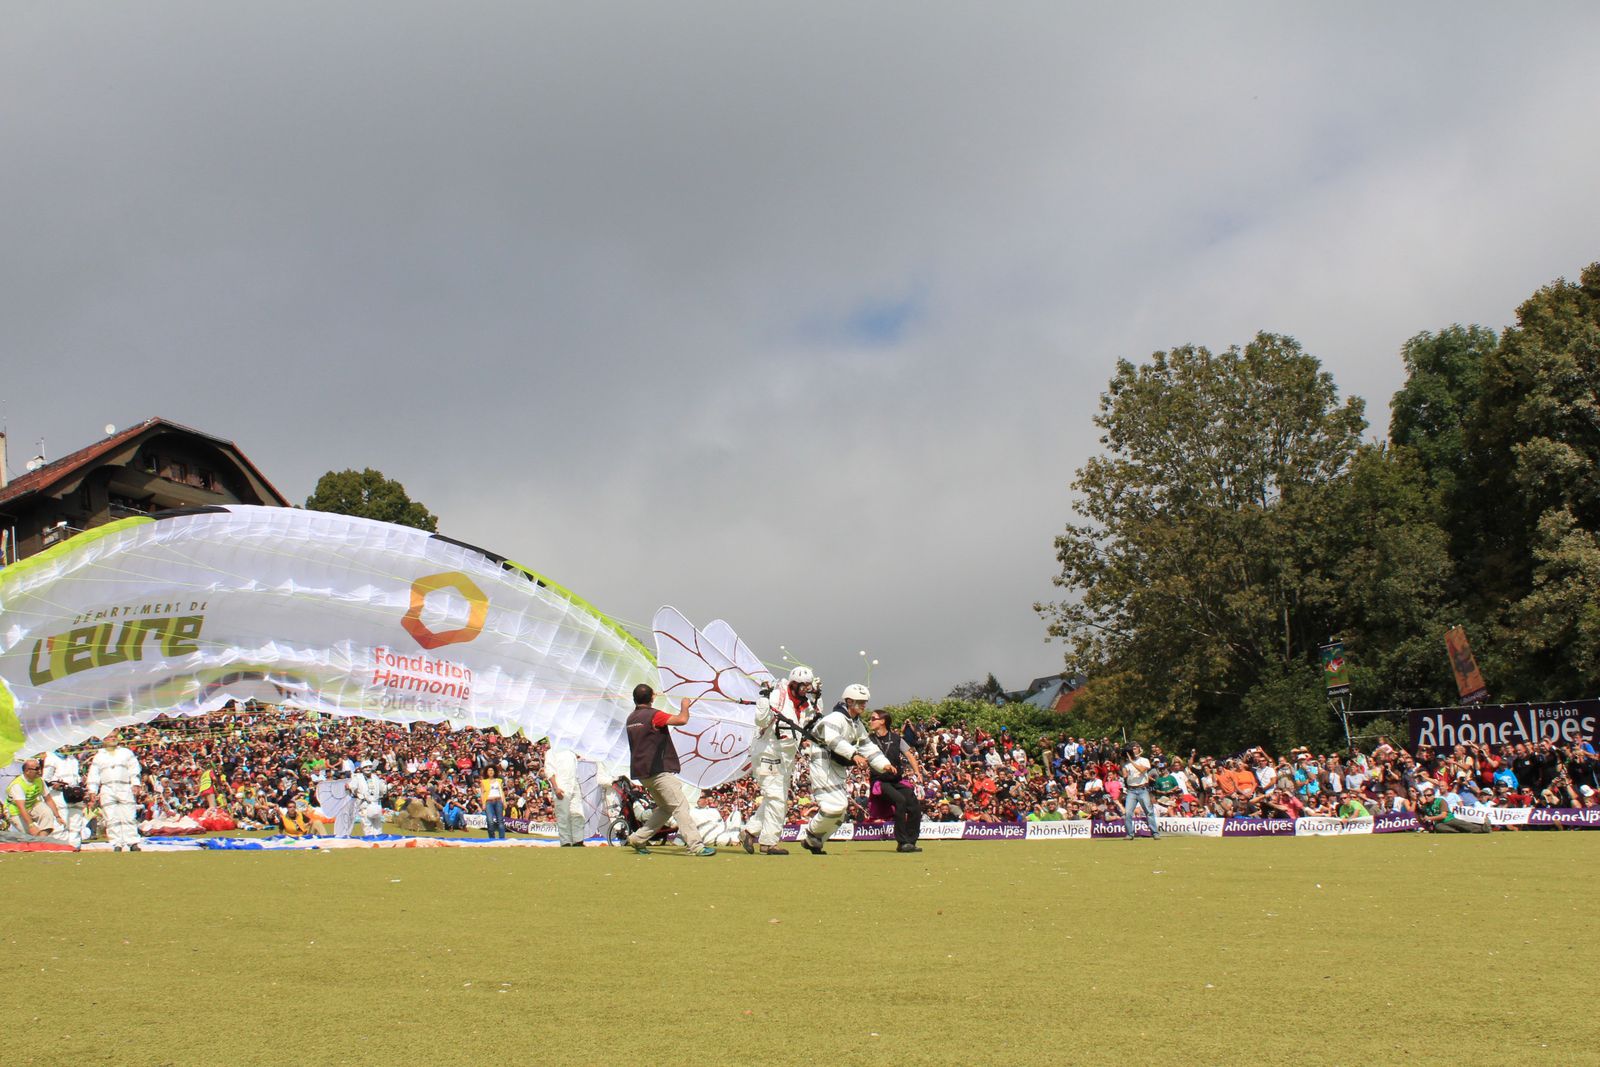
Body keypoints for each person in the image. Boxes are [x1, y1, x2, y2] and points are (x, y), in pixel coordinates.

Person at [800, 684, 894, 855]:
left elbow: (867, 745)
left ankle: (814, 841)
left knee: (841, 810)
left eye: (865, 702)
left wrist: (883, 763)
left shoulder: (856, 724)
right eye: (860, 702)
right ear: (849, 701)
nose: (864, 705)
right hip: (822, 764)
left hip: (837, 766)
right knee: (832, 807)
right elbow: (833, 740)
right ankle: (812, 834)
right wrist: (854, 755)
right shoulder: (835, 718)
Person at [621, 684, 714, 856]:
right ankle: (696, 846)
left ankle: (638, 838)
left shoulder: (631, 718)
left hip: (642, 773)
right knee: (680, 806)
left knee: (665, 808)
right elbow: (682, 720)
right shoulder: (654, 715)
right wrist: (685, 706)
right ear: (652, 698)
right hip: (658, 771)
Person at [742, 665, 818, 856]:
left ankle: (749, 831)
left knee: (776, 798)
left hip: (786, 758)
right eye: (802, 686)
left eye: (807, 686)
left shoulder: (804, 704)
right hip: (768, 754)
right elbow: (760, 720)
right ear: (793, 684)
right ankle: (769, 843)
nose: (805, 690)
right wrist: (763, 699)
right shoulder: (777, 696)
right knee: (776, 797)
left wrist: (818, 697)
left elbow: (813, 718)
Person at [867, 707, 925, 853]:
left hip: (896, 780)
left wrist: (917, 771)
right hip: (880, 782)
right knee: (900, 801)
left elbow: (909, 755)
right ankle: (902, 842)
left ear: (883, 721)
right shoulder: (868, 740)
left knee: (914, 804)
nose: (870, 721)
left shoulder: (896, 738)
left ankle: (911, 841)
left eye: (873, 718)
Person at [87, 733, 143, 852]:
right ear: (104, 739)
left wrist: (135, 783)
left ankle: (132, 842)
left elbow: (134, 768)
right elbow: (94, 773)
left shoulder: (126, 752)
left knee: (129, 815)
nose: (112, 738)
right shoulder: (99, 756)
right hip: (107, 788)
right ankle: (117, 843)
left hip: (124, 786)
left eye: (114, 736)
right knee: (111, 817)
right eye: (110, 737)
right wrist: (92, 789)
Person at [6, 758, 71, 844]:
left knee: (47, 813)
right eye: (36, 769)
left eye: (40, 767)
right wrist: (31, 825)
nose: (40, 771)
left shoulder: (39, 780)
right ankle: (37, 843)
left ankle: (39, 842)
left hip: (32, 805)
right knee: (30, 835)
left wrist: (57, 816)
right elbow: (21, 808)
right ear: (27, 771)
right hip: (16, 811)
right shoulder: (17, 785)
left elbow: (48, 799)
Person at [43, 746, 89, 845]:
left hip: (74, 793)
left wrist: (81, 783)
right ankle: (61, 845)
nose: (67, 747)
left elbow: (77, 776)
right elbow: (45, 780)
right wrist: (53, 785)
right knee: (61, 821)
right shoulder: (51, 758)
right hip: (59, 794)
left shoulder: (72, 759)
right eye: (65, 745)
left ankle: (74, 846)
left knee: (75, 822)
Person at [1122, 743, 1160, 840]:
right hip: (1131, 790)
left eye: (1135, 749)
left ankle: (1155, 832)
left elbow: (1142, 770)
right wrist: (1123, 763)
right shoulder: (1127, 764)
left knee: (1149, 811)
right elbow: (1125, 775)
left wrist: (1132, 761)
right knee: (1128, 812)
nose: (1133, 750)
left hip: (1142, 789)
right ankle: (1130, 834)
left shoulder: (1144, 760)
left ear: (1139, 750)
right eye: (1132, 749)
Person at [546, 748, 583, 846]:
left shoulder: (571, 751)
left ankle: (578, 840)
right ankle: (565, 841)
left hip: (574, 784)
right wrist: (555, 787)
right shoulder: (551, 752)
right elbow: (549, 771)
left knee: (577, 813)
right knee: (563, 815)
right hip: (561, 785)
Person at [481, 762, 509, 840]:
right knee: (490, 821)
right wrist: (483, 803)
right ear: (487, 772)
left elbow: (501, 792)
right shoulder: (483, 781)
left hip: (498, 801)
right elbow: (482, 793)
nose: (491, 772)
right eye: (489, 770)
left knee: (500, 821)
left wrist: (504, 802)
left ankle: (501, 838)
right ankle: (492, 838)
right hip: (488, 802)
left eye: (492, 770)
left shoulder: (499, 781)